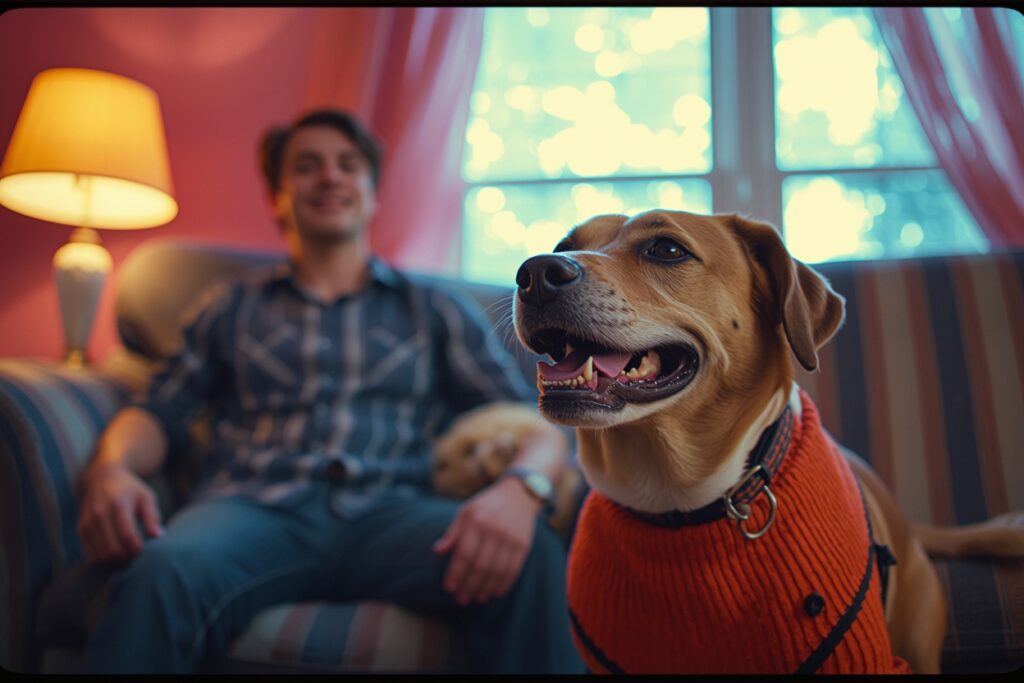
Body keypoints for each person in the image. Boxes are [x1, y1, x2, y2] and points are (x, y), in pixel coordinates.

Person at [76, 109, 583, 674]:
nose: (331, 177)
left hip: (398, 514)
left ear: (370, 194)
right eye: (307, 166)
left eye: (348, 166)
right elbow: (158, 411)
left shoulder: (433, 309)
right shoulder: (231, 306)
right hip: (250, 511)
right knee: (159, 572)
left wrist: (521, 489)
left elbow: (527, 418)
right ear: (277, 196)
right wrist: (111, 469)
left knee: (530, 557)